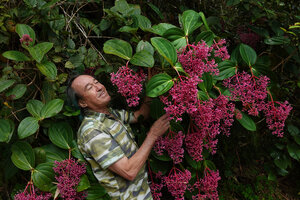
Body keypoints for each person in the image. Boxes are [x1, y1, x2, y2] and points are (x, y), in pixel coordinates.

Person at [67, 74, 170, 200]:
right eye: (89, 87)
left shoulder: (111, 115)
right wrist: (153, 135)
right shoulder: (92, 131)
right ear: (82, 102)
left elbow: (140, 115)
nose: (99, 87)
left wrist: (153, 86)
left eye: (97, 82)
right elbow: (129, 171)